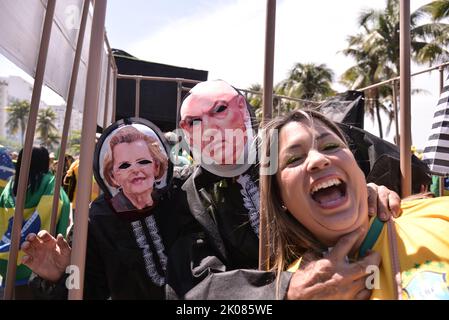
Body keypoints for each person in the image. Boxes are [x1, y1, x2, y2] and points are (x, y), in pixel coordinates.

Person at [173, 80, 402, 299]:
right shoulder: (191, 198)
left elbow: (393, 164)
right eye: (194, 122)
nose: (210, 128)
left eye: (220, 110)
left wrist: (368, 189)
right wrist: (281, 292)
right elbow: (196, 288)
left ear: (242, 107)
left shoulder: (290, 140)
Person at [261, 110, 449, 299]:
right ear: (280, 200)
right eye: (294, 159)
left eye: (331, 146)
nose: (318, 160)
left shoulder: (441, 216)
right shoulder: (288, 291)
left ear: (357, 168)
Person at [21, 119, 195, 299]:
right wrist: (61, 276)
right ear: (112, 175)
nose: (135, 170)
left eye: (143, 161)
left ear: (157, 165)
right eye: (124, 165)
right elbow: (90, 290)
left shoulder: (185, 193)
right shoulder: (96, 221)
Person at [0, 146, 70, 299]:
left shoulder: (10, 186)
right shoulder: (52, 185)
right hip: (36, 261)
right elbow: (63, 212)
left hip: (6, 258)